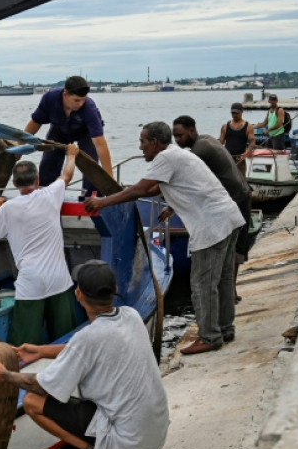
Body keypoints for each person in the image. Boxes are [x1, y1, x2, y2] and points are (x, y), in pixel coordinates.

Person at [0, 260, 168, 449]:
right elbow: (88, 349)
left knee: (32, 402)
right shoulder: (130, 315)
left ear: (79, 294)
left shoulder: (87, 338)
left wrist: (4, 375)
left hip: (130, 439)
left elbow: (42, 386)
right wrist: (41, 352)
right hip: (153, 436)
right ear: (115, 291)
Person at [84, 122, 245, 354]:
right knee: (222, 280)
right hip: (228, 217)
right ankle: (225, 328)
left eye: (143, 142)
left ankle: (210, 337)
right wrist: (172, 205)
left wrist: (102, 202)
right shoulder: (177, 154)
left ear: (156, 143)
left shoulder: (165, 158)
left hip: (212, 226)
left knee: (203, 283)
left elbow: (141, 189)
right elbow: (161, 189)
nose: (140, 148)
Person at [0, 145, 80, 346]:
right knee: (65, 341)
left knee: (24, 344)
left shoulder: (8, 208)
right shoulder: (51, 194)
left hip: (30, 280)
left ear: (14, 183)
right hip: (58, 278)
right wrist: (71, 155)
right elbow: (67, 175)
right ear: (38, 180)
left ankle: (22, 373)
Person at [173, 116, 253, 304]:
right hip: (242, 196)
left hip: (236, 200)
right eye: (174, 137)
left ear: (191, 131)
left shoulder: (199, 151)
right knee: (235, 247)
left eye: (180, 136)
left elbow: (186, 180)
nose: (177, 141)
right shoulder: (207, 139)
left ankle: (227, 292)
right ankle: (230, 291)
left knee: (229, 248)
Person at [24, 76, 113, 193]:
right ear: (65, 95)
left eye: (83, 99)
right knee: (48, 164)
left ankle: (91, 197)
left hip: (85, 134)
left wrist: (109, 178)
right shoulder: (50, 98)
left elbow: (100, 144)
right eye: (76, 100)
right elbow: (36, 122)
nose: (81, 104)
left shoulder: (89, 108)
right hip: (59, 131)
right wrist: (20, 144)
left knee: (91, 166)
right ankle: (46, 195)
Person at [219, 102, 256, 175]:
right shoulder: (225, 126)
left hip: (240, 159)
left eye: (236, 113)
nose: (234, 115)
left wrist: (246, 152)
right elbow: (220, 143)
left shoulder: (248, 126)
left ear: (242, 112)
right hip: (228, 158)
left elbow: (252, 142)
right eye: (233, 113)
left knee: (241, 179)